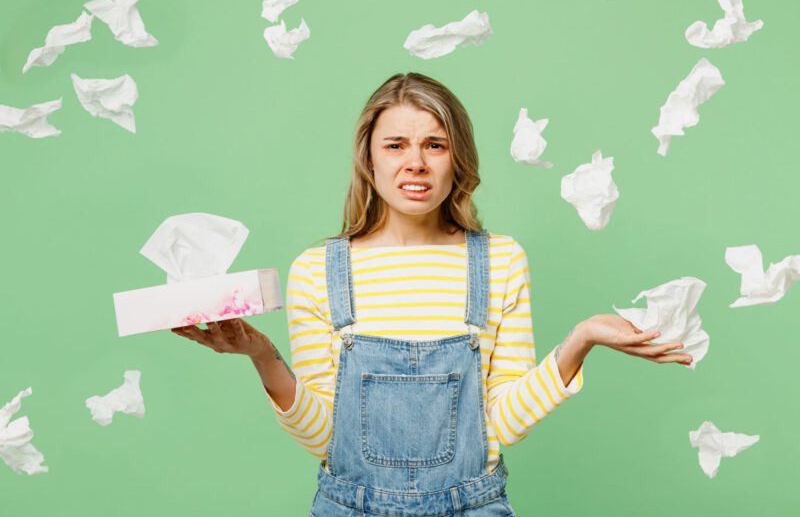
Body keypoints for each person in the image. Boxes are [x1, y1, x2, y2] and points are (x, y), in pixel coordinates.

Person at [172, 72, 692, 516]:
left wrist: (580, 340)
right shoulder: (317, 271)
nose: (415, 162)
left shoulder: (500, 261)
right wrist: (262, 355)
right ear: (369, 161)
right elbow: (324, 439)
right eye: (395, 145)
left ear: (456, 160)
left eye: (434, 145)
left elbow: (501, 425)